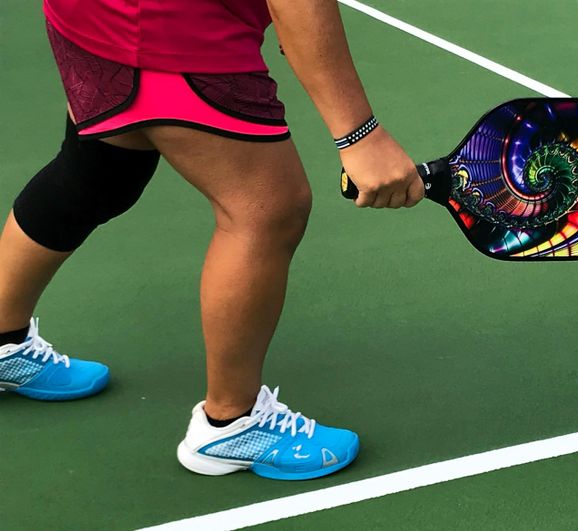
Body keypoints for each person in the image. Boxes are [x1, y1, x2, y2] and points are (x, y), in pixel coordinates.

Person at [0, 0, 424, 480]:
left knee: (99, 169)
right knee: (267, 210)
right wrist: (360, 135)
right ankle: (231, 424)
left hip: (89, 12)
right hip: (174, 29)